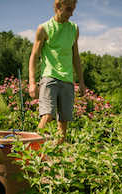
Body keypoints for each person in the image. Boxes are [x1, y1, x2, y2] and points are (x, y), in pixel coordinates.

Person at [28, 0, 86, 144]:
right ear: (58, 7)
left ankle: (56, 154)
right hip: (50, 77)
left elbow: (76, 57)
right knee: (47, 115)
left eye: (73, 10)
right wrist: (32, 83)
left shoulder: (74, 29)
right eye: (68, 9)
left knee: (64, 122)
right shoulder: (44, 28)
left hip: (67, 80)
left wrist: (81, 82)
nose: (71, 14)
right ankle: (33, 151)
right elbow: (34, 56)